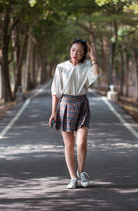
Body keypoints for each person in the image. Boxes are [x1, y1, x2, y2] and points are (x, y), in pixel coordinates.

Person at [49, 38, 100, 189]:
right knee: (69, 145)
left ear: (84, 53)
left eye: (79, 51)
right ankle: (72, 178)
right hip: (66, 104)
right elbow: (55, 91)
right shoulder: (61, 67)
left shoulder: (87, 66)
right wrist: (53, 112)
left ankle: (81, 172)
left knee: (82, 143)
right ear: (69, 51)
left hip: (82, 103)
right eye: (73, 50)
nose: (75, 54)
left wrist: (93, 56)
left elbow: (96, 75)